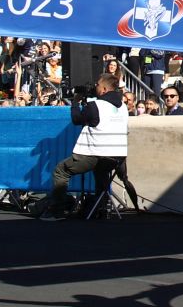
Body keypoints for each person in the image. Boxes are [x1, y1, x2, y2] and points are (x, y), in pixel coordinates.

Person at [42, 73, 134, 217]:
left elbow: (77, 119)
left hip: (95, 154)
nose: (95, 87)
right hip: (117, 158)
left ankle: (57, 211)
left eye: (97, 85)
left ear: (104, 89)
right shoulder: (123, 107)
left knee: (60, 171)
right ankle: (100, 209)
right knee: (101, 174)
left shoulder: (96, 105)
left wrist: (75, 103)